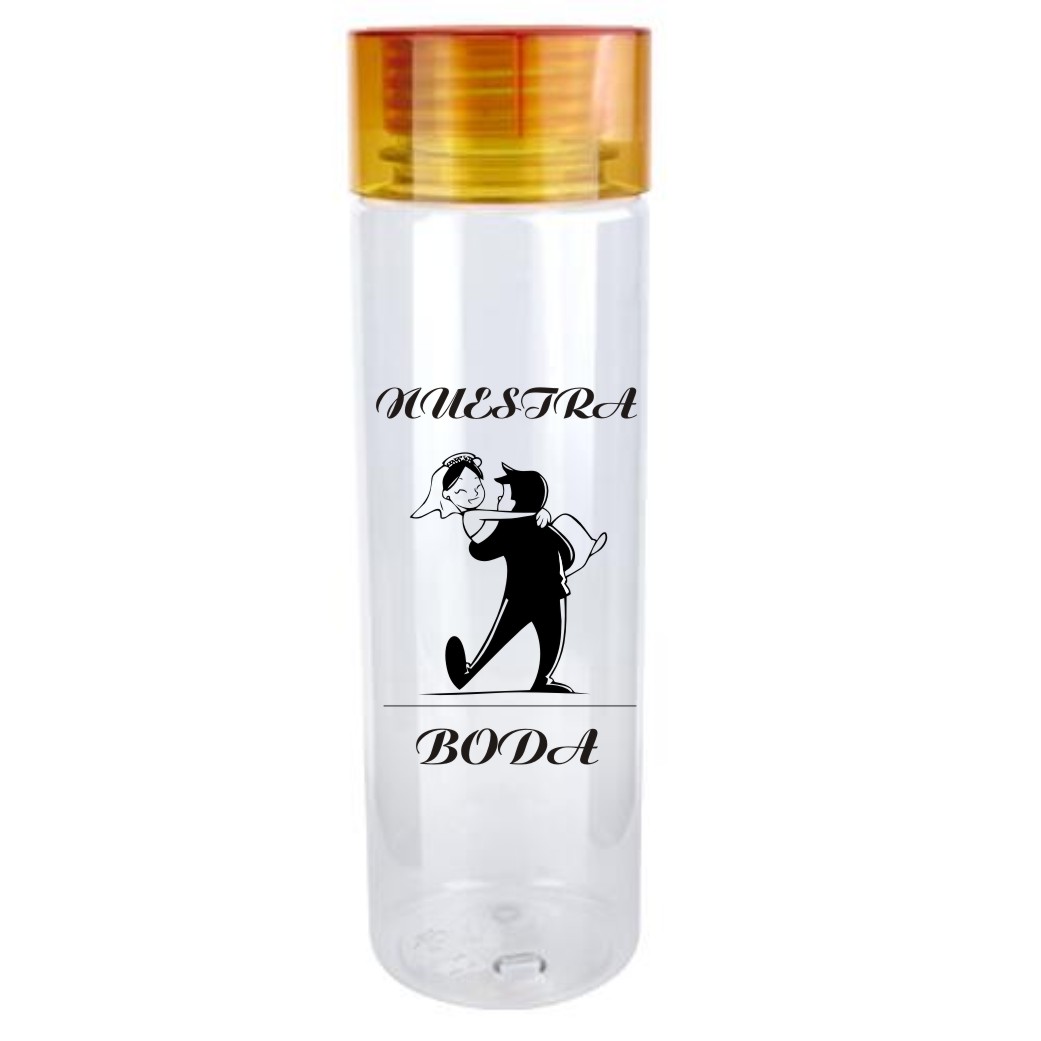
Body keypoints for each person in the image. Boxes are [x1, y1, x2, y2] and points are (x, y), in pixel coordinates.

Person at [444, 463, 606, 693]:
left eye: (503, 496)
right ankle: (542, 679)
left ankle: (468, 675)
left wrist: (475, 545)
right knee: (550, 638)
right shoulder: (538, 526)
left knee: (503, 638)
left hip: (522, 594)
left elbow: (484, 551)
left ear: (517, 500)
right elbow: (567, 554)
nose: (497, 499)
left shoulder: (510, 528)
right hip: (550, 591)